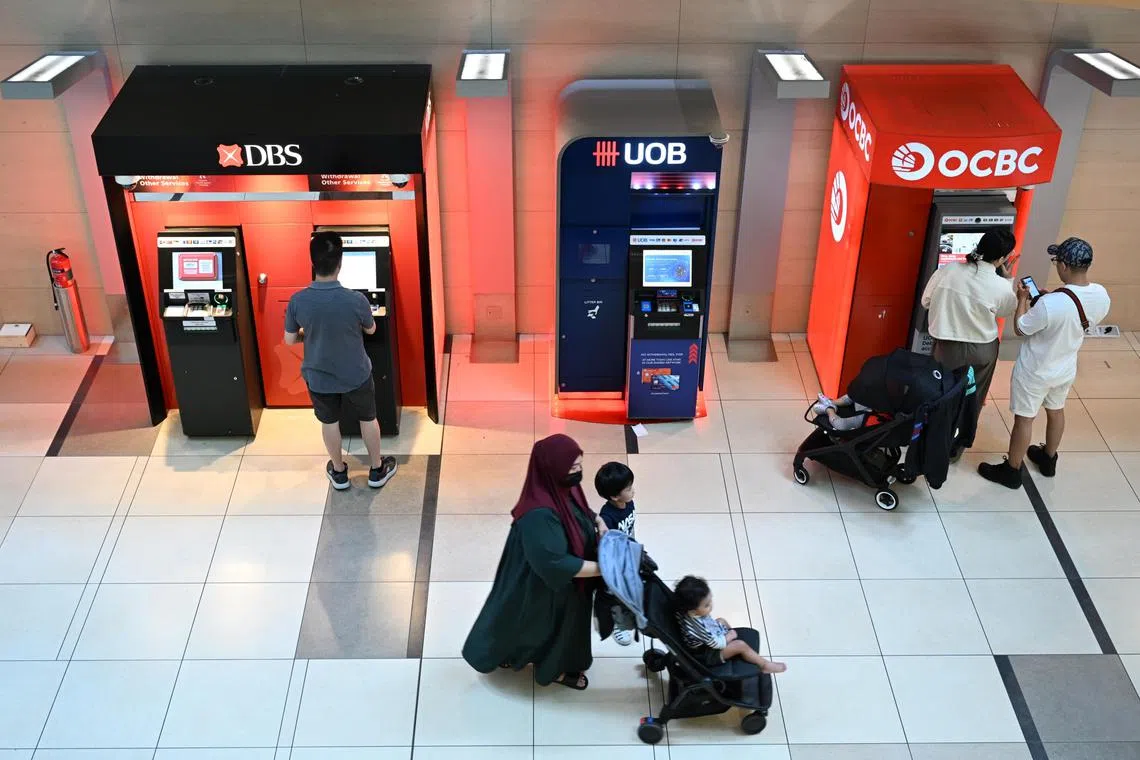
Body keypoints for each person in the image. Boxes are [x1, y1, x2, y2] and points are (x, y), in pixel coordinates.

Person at [463, 434, 607, 690]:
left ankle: (509, 655)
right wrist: (604, 570)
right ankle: (553, 669)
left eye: (579, 466)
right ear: (554, 469)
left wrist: (596, 519)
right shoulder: (538, 514)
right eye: (573, 468)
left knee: (523, 622)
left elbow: (576, 508)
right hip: (544, 585)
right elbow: (555, 564)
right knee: (542, 626)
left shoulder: (559, 484)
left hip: (554, 581)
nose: (578, 473)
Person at [979, 237, 1111, 488]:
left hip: (1036, 371)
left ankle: (1011, 470)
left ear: (1064, 266)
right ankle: (1048, 459)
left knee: (1024, 418)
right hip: (1065, 367)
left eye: (1056, 260)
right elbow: (1074, 316)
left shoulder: (1052, 304)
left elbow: (1021, 328)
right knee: (1056, 410)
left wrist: (1021, 300)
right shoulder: (1101, 295)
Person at [284, 231, 397, 491]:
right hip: (355, 372)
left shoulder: (298, 301)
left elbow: (290, 340)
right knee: (368, 418)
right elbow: (371, 330)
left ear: (313, 263)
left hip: (319, 375)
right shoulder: (356, 299)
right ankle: (377, 469)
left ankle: (338, 472)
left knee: (329, 422)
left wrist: (311, 335)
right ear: (340, 263)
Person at [920, 228, 1019, 457]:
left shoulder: (949, 270)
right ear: (1003, 258)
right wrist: (1007, 278)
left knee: (940, 394)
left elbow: (926, 301)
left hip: (947, 348)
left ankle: (930, 443)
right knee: (972, 399)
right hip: (983, 350)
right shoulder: (1000, 285)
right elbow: (1007, 309)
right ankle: (956, 449)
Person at [674, 576, 786, 674]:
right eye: (707, 605)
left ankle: (732, 642)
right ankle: (764, 665)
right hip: (705, 654)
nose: (711, 605)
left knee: (721, 620)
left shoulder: (685, 610)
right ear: (693, 612)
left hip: (706, 639)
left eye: (710, 600)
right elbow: (716, 644)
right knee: (740, 645)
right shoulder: (698, 628)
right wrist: (728, 637)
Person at [594, 461, 637, 646]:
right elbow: (606, 547)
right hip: (613, 563)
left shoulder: (628, 503)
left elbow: (630, 529)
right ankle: (615, 625)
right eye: (628, 489)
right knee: (614, 595)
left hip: (627, 554)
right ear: (614, 496)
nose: (633, 491)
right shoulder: (607, 517)